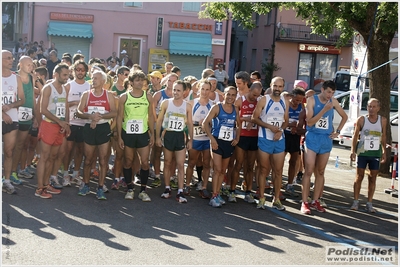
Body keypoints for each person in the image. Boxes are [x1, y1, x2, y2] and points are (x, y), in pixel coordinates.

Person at [300, 80, 348, 214]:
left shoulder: (333, 101)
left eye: (332, 93)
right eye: (328, 92)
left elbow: (345, 116)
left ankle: (316, 201)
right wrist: (324, 110)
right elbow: (309, 121)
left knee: (320, 171)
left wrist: (338, 131)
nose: (330, 95)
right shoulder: (311, 100)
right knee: (309, 170)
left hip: (326, 139)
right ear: (322, 89)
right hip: (313, 137)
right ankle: (304, 202)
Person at [76, 70, 117, 200]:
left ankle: (100, 187)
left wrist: (99, 117)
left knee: (103, 160)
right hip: (89, 127)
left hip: (103, 128)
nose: (93, 80)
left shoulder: (108, 95)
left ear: (103, 82)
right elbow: (78, 111)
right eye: (93, 78)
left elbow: (114, 112)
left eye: (96, 78)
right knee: (88, 159)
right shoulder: (86, 94)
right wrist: (90, 116)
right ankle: (86, 184)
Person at [252, 77, 289, 211]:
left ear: (283, 87)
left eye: (280, 86)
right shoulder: (264, 99)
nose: (277, 89)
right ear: (271, 86)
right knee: (263, 169)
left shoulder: (285, 101)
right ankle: (261, 197)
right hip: (265, 137)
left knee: (278, 171)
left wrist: (280, 130)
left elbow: (286, 120)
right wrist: (269, 126)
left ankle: (276, 199)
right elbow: (254, 118)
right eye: (275, 86)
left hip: (279, 139)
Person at [117, 70, 154, 201]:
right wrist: (120, 136)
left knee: (145, 163)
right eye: (137, 80)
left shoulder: (148, 96)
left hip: (143, 133)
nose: (140, 82)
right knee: (128, 161)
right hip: (128, 134)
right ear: (131, 82)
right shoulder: (124, 97)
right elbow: (119, 117)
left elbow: (151, 117)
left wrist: (153, 134)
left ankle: (143, 190)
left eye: (141, 80)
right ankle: (130, 188)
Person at [35, 63, 71, 198]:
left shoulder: (64, 89)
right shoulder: (48, 88)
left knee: (53, 157)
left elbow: (66, 106)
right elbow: (42, 109)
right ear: (56, 74)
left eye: (68, 75)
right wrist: (59, 121)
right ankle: (39, 189)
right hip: (49, 125)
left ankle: (46, 184)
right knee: (44, 157)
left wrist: (67, 124)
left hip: (60, 127)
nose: (67, 78)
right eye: (64, 75)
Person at [202, 86, 241, 207]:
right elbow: (205, 123)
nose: (230, 97)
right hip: (217, 141)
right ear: (224, 95)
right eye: (228, 94)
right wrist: (212, 139)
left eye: (233, 95)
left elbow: (239, 125)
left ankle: (217, 194)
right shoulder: (217, 107)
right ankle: (214, 196)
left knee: (223, 171)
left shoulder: (235, 109)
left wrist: (237, 138)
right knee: (217, 169)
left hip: (228, 142)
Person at [156, 80, 193, 203]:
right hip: (168, 135)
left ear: (184, 92)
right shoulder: (166, 103)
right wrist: (157, 137)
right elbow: (159, 120)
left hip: (180, 136)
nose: (176, 92)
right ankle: (167, 188)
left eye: (178, 90)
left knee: (181, 164)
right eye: (174, 90)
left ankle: (180, 191)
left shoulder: (187, 106)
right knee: (167, 162)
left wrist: (190, 140)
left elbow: (190, 124)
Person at [350, 98, 387, 213]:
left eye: (374, 107)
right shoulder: (362, 119)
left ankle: (369, 203)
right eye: (369, 106)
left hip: (375, 152)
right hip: (362, 152)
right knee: (359, 176)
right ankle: (355, 201)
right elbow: (355, 136)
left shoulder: (383, 120)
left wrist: (384, 151)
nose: (371, 109)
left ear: (378, 108)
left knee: (373, 177)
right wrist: (353, 151)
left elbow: (384, 136)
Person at [228, 81, 262, 203]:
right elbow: (235, 119)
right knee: (239, 164)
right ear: (249, 91)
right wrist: (248, 119)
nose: (255, 97)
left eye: (257, 95)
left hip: (254, 137)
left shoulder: (260, 101)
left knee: (250, 166)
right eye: (253, 94)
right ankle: (232, 191)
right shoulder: (240, 101)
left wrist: (253, 121)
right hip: (242, 136)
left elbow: (262, 118)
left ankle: (248, 192)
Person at [62, 60, 90, 186]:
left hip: (84, 123)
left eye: (82, 70)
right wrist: (74, 103)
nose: (80, 72)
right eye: (77, 69)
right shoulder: (68, 85)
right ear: (74, 71)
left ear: (85, 72)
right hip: (71, 122)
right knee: (68, 150)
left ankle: (76, 174)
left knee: (80, 150)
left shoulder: (89, 86)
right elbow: (62, 104)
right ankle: (65, 174)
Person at [2, 50, 26, 194]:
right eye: (8, 58)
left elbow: (22, 99)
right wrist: (2, 113)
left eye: (12, 58)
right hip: (4, 117)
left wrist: (10, 106)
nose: (11, 60)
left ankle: (7, 181)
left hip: (12, 118)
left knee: (9, 151)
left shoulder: (15, 78)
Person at [184, 80, 213, 198]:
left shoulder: (213, 105)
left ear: (210, 91)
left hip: (207, 139)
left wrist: (207, 123)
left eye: (207, 89)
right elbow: (187, 122)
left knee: (207, 164)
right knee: (191, 162)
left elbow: (215, 122)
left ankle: (204, 187)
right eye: (202, 89)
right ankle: (187, 185)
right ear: (198, 89)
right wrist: (198, 123)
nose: (205, 92)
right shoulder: (191, 103)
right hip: (195, 138)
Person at [150, 73, 178, 187]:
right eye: (169, 81)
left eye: (174, 81)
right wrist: (154, 129)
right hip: (160, 127)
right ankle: (157, 176)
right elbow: (152, 113)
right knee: (157, 152)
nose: (171, 83)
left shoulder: (179, 95)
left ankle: (171, 177)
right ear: (166, 81)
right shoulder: (158, 95)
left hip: (173, 128)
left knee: (173, 155)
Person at [10, 56, 36, 181]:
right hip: (14, 114)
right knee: (10, 146)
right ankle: (7, 173)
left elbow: (33, 99)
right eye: (28, 65)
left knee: (20, 145)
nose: (31, 67)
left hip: (27, 115)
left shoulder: (32, 78)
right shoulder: (13, 77)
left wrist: (36, 116)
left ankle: (14, 172)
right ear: (20, 64)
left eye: (32, 65)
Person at [283, 87, 306, 198]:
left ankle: (290, 184)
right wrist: (289, 124)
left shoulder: (302, 107)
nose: (298, 102)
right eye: (296, 100)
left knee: (294, 161)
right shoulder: (285, 105)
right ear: (291, 97)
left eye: (300, 100)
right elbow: (280, 121)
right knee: (279, 161)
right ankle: (275, 184)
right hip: (284, 135)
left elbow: (302, 122)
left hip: (295, 136)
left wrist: (297, 127)